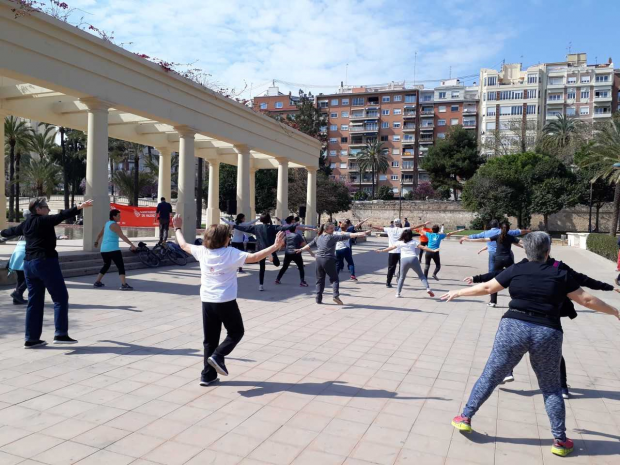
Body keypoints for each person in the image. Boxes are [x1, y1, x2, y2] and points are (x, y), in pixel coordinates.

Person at [441, 232, 620, 458]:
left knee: (491, 375)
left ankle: (465, 417)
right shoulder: (560, 273)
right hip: (547, 332)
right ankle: (560, 440)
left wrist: (457, 292)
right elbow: (585, 299)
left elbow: (487, 288)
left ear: (526, 251)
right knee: (551, 387)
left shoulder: (516, 269)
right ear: (548, 252)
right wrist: (614, 311)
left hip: (513, 327)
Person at [465, 256, 617, 397]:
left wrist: (476, 278)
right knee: (554, 354)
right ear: (547, 250)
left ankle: (509, 372)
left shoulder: (524, 266)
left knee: (513, 345)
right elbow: (583, 280)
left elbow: (499, 275)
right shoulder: (557, 266)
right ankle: (562, 387)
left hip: (525, 317)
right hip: (548, 321)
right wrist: (609, 288)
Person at [171, 215, 286, 386]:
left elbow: (183, 245)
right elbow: (255, 257)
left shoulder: (202, 251)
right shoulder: (231, 253)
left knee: (210, 339)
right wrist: (275, 247)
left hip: (207, 301)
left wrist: (177, 228)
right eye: (229, 236)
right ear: (225, 239)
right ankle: (218, 355)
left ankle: (207, 375)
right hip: (225, 301)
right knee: (236, 332)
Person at [0, 198, 94, 348]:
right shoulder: (42, 220)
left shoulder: (26, 223)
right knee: (60, 297)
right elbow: (61, 216)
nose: (49, 210)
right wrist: (79, 206)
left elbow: (9, 232)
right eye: (46, 207)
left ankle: (31, 338)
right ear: (38, 209)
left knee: (34, 301)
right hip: (45, 262)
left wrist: (1, 232)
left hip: (29, 265)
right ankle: (61, 334)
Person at [295, 223, 370, 305]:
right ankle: (335, 296)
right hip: (328, 260)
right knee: (334, 279)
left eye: (333, 228)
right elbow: (347, 236)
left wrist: (301, 249)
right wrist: (359, 234)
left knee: (320, 280)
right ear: (326, 229)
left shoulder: (318, 237)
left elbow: (309, 245)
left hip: (319, 260)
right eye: (331, 229)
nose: (333, 230)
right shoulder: (331, 237)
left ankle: (318, 299)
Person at [460, 222, 524, 307]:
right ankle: (518, 300)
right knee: (513, 278)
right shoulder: (510, 237)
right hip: (508, 259)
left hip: (498, 260)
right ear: (508, 229)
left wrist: (468, 239)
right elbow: (520, 241)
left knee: (494, 279)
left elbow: (483, 239)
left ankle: (493, 301)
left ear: (500, 229)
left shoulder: (497, 237)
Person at [233, 213, 299, 291]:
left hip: (262, 250)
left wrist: (234, 226)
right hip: (271, 248)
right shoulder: (272, 227)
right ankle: (271, 256)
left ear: (261, 219)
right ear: (269, 219)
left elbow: (245, 228)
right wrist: (294, 225)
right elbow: (284, 228)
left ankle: (261, 285)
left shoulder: (256, 227)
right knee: (277, 264)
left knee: (262, 268)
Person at [375, 229, 435, 298]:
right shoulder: (414, 242)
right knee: (421, 275)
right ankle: (428, 288)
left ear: (403, 235)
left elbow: (391, 248)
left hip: (404, 260)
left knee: (401, 277)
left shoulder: (399, 242)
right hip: (413, 258)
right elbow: (423, 247)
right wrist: (433, 250)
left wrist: (381, 250)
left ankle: (398, 293)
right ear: (411, 235)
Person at [370, 219, 429, 288]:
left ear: (394, 223)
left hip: (392, 251)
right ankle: (399, 277)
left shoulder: (389, 229)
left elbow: (380, 228)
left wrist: (372, 226)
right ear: (400, 223)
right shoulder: (403, 230)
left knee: (391, 268)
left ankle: (388, 283)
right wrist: (423, 223)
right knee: (402, 267)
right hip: (402, 252)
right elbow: (414, 227)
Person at [93, 209, 137, 290]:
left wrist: (96, 242)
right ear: (114, 216)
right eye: (118, 216)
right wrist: (132, 245)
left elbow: (100, 234)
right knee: (120, 266)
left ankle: (97, 282)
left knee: (106, 265)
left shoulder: (106, 224)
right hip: (113, 249)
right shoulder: (115, 225)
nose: (120, 217)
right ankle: (124, 285)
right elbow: (122, 236)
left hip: (104, 249)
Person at [8, 233, 27, 305]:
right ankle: (18, 294)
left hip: (16, 254)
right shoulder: (35, 229)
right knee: (31, 277)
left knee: (20, 278)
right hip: (25, 253)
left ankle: (16, 299)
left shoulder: (24, 229)